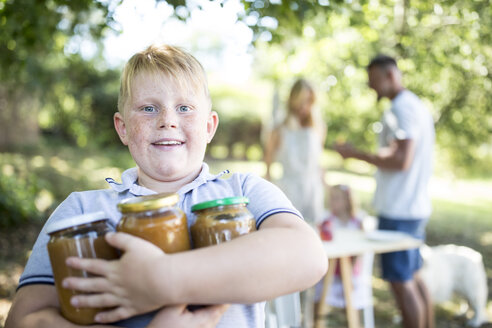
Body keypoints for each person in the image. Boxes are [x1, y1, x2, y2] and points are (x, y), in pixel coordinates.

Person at [5, 44, 327, 328]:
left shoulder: (244, 193)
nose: (167, 120)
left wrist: (162, 279)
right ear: (123, 128)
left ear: (209, 126)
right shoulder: (82, 210)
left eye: (184, 108)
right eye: (148, 108)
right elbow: (25, 319)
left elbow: (308, 257)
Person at [334, 54, 435, 328]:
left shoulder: (402, 108)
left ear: (390, 76)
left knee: (401, 282)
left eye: (374, 81)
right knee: (413, 276)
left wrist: (356, 154)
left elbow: (402, 160)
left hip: (400, 208)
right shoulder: (414, 105)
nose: (372, 88)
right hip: (412, 206)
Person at [264, 78, 326, 225]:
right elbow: (268, 160)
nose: (305, 106)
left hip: (313, 188)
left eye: (310, 101)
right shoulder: (279, 128)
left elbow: (319, 160)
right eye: (302, 101)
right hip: (289, 189)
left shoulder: (318, 126)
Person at [315, 185, 371, 311]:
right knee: (319, 294)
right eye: (331, 198)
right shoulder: (327, 220)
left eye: (336, 198)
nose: (332, 202)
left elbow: (360, 251)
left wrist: (350, 272)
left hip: (350, 269)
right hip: (329, 269)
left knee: (349, 293)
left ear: (347, 201)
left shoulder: (357, 222)